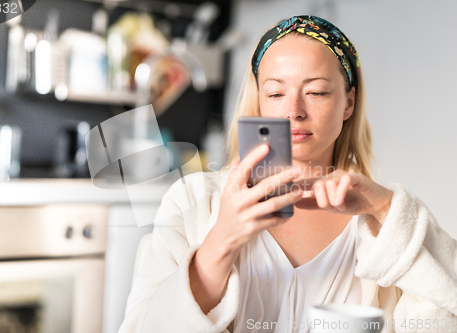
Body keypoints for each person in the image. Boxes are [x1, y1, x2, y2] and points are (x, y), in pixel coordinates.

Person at [119, 15, 457, 333]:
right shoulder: (194, 200)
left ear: (348, 103)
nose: (294, 111)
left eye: (316, 92)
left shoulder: (380, 221)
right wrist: (220, 242)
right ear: (261, 102)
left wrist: (388, 210)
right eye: (276, 93)